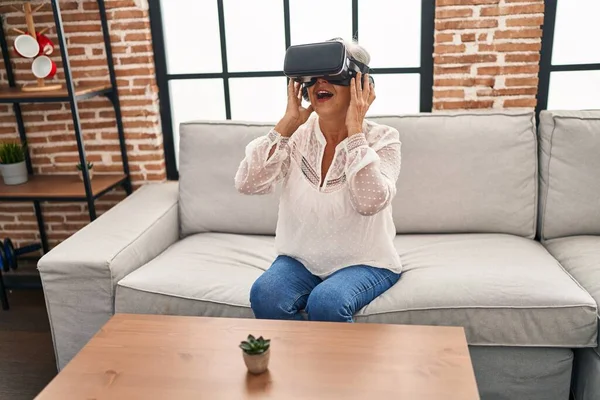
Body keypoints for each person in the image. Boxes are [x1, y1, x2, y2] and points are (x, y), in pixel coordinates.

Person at [234, 38, 402, 323]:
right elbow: (247, 183)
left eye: (332, 75)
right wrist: (288, 122)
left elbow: (369, 203)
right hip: (300, 260)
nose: (319, 83)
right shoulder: (297, 136)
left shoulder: (383, 139)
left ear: (361, 85)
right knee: (266, 294)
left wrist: (354, 132)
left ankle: (335, 368)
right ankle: (299, 366)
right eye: (311, 79)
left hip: (366, 262)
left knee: (327, 301)